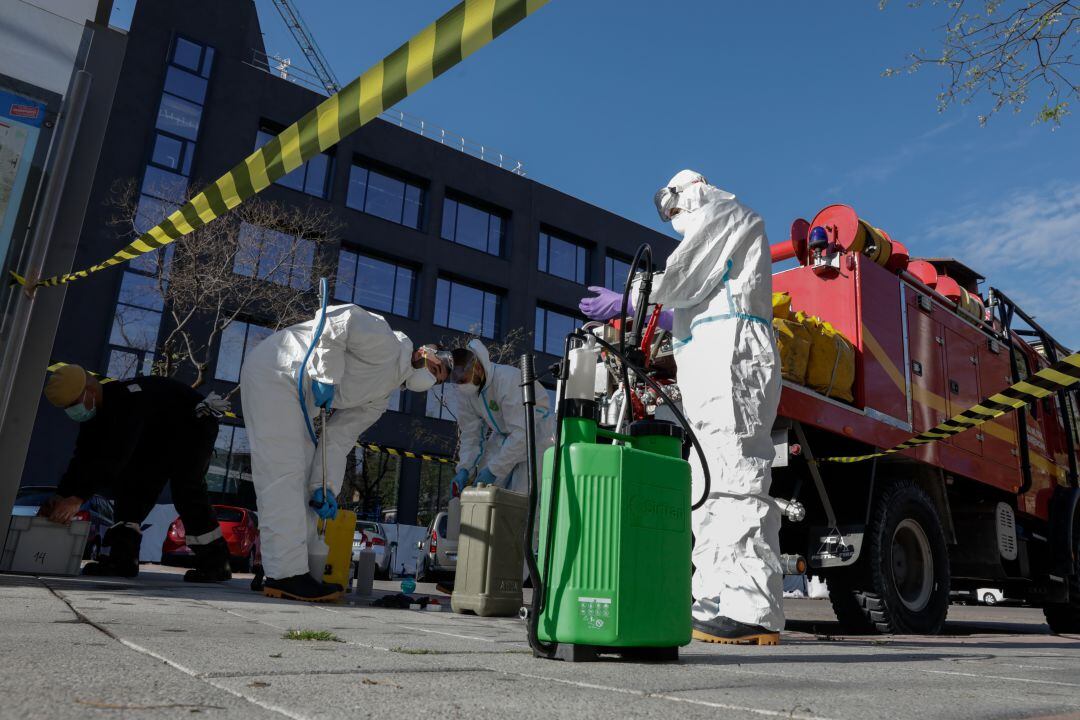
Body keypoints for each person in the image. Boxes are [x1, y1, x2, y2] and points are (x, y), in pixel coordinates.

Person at [578, 170, 783, 645]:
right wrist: (655, 312)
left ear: (690, 191)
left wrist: (629, 301)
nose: (671, 217)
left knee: (734, 477)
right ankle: (716, 601)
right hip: (715, 357)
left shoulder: (726, 213)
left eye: (671, 207)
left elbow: (680, 280)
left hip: (733, 357)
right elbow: (693, 298)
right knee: (710, 484)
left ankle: (752, 609)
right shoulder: (718, 232)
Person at [240, 304, 449, 602]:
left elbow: (338, 439)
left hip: (300, 399)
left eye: (439, 380)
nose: (434, 378)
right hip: (277, 370)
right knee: (283, 474)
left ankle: (286, 570)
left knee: (302, 488)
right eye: (436, 368)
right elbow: (337, 320)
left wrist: (323, 487)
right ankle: (284, 574)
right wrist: (326, 374)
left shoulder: (379, 400)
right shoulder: (386, 341)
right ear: (424, 352)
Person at [40, 365, 232, 582]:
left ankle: (216, 564)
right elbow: (83, 457)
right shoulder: (95, 416)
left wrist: (78, 498)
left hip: (194, 424)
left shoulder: (126, 402)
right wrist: (62, 494)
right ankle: (123, 561)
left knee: (187, 488)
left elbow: (115, 456)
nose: (72, 412)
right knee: (132, 488)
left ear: (90, 391)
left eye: (73, 404)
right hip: (157, 435)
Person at [448, 339, 556, 497]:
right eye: (456, 382)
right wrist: (464, 468)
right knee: (483, 491)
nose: (460, 386)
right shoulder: (467, 395)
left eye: (463, 380)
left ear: (477, 368)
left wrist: (494, 470)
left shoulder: (506, 380)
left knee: (524, 496)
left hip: (536, 434)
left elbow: (522, 432)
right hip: (503, 434)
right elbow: (471, 434)